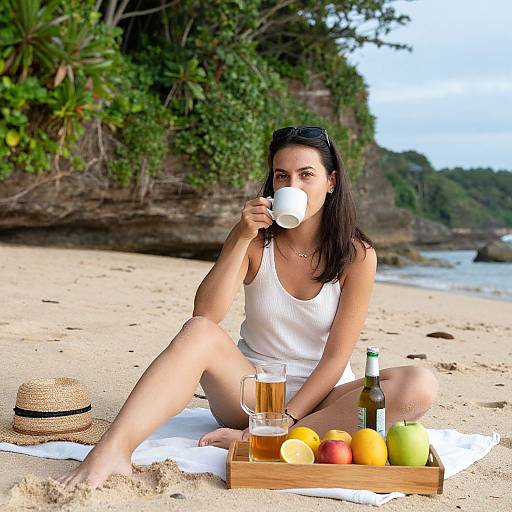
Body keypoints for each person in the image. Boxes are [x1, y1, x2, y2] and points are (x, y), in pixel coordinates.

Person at [58, 126, 438, 488]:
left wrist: (286, 424)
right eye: (281, 176)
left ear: (331, 181)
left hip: (323, 402)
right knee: (198, 333)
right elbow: (206, 314)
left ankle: (277, 438)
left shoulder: (356, 255)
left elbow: (336, 358)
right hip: (256, 393)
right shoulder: (256, 241)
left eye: (307, 175)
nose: (293, 186)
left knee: (418, 384)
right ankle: (113, 449)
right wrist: (241, 237)